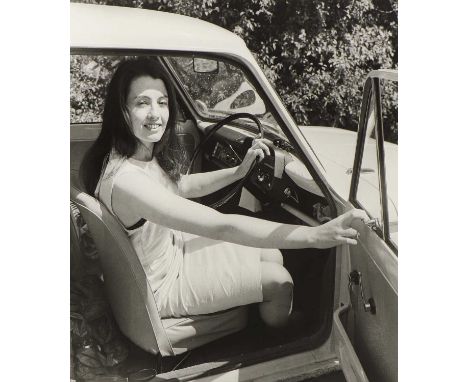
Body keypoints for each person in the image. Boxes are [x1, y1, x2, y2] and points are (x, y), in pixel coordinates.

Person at [80, 57, 368, 328]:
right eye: (142, 103)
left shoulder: (132, 155)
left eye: (162, 102)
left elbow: (180, 186)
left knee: (272, 254)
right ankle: (283, 341)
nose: (156, 114)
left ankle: (262, 310)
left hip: (168, 255)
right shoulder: (129, 182)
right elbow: (222, 226)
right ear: (123, 110)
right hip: (161, 284)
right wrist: (314, 235)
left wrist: (238, 172)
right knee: (280, 282)